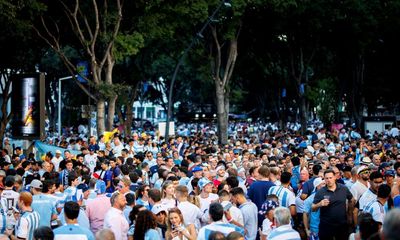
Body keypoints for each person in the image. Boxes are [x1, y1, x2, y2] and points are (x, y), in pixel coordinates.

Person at [312, 169, 355, 240]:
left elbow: (352, 199)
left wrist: (349, 214)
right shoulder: (320, 192)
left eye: (330, 178)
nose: (329, 180)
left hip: (342, 225)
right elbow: (313, 208)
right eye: (326, 178)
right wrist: (319, 204)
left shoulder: (343, 188)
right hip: (326, 226)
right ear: (324, 179)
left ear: (335, 177)